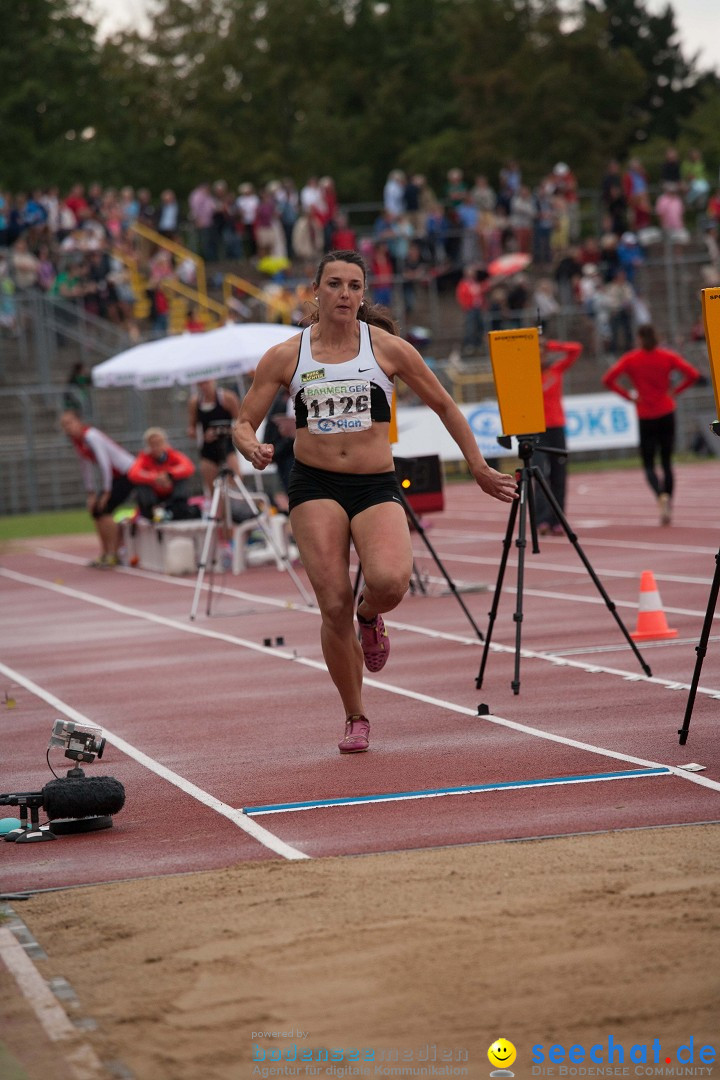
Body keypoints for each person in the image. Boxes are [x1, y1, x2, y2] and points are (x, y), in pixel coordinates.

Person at [232, 250, 517, 756]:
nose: (345, 294)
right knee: (331, 605)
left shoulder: (386, 349)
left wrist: (477, 465)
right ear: (315, 291)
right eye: (335, 284)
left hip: (374, 483)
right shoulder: (286, 356)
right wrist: (251, 445)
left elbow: (445, 404)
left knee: (389, 582)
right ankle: (355, 714)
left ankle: (372, 616)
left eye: (354, 286)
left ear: (364, 295)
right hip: (314, 484)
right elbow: (242, 420)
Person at [602, 324, 700, 525]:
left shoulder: (631, 358)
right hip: (666, 411)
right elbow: (693, 374)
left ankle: (659, 495)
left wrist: (629, 396)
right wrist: (676, 391)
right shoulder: (666, 356)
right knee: (666, 462)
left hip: (645, 414)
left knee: (648, 464)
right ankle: (668, 499)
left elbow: (608, 379)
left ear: (639, 339)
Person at [60, 410, 135, 567]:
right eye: (65, 425)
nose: (68, 427)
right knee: (95, 511)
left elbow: (104, 463)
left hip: (128, 472)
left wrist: (106, 492)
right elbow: (85, 467)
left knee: (105, 509)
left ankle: (114, 554)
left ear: (79, 421)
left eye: (70, 422)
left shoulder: (91, 436)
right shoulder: (78, 442)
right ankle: (105, 552)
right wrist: (91, 493)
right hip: (116, 477)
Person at [533, 339, 583, 535]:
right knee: (538, 474)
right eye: (536, 352)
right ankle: (542, 519)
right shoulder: (527, 375)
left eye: (542, 352)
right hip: (536, 429)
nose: (540, 355)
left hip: (556, 427)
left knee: (559, 475)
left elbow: (576, 349)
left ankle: (557, 520)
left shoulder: (556, 369)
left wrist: (550, 344)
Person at [186, 379, 241, 498]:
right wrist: (203, 435)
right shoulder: (195, 402)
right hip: (207, 449)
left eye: (206, 382)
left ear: (213, 381)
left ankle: (234, 510)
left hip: (227, 446)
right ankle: (219, 514)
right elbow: (191, 429)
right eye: (200, 384)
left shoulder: (227, 398)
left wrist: (222, 431)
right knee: (213, 488)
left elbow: (240, 423)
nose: (204, 386)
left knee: (235, 480)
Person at [128, 428, 197, 522]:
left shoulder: (173, 455)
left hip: (171, 492)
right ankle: (152, 510)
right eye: (152, 444)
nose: (156, 447)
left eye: (159, 443)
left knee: (182, 481)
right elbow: (133, 473)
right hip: (153, 495)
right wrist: (155, 478)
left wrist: (169, 475)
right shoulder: (144, 458)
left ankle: (177, 508)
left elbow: (188, 467)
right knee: (140, 486)